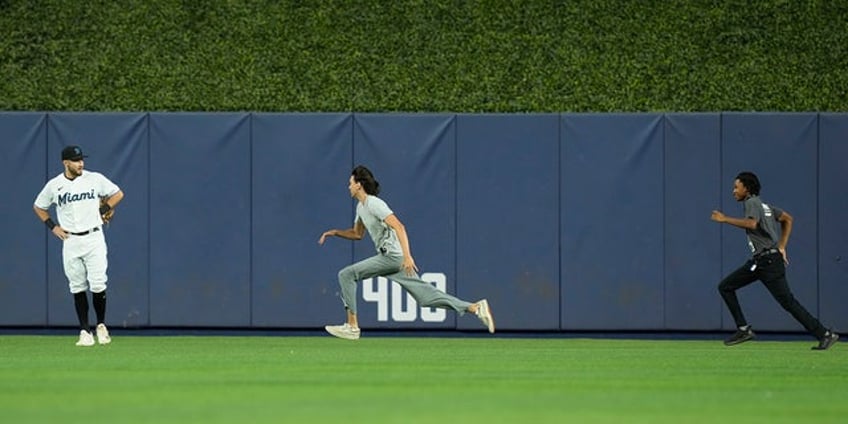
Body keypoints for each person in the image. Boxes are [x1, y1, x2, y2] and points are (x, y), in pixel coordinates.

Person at [318, 165, 495, 340]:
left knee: (346, 275)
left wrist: (407, 256)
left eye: (350, 182)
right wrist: (334, 232)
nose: (348, 186)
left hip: (392, 257)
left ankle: (352, 326)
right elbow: (357, 234)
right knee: (426, 298)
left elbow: (399, 226)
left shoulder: (374, 203)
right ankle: (475, 308)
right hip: (395, 260)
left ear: (358, 184)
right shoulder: (361, 207)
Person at [710, 171, 838, 350]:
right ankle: (744, 329)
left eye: (736, 187)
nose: (733, 191)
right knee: (727, 286)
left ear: (746, 189)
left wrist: (724, 219)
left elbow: (752, 224)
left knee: (786, 302)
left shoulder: (752, 202)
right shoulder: (764, 206)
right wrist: (782, 246)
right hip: (764, 261)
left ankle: (824, 333)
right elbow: (787, 218)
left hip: (767, 262)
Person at [33, 145, 124, 347]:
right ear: (66, 163)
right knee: (77, 286)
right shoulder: (54, 185)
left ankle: (101, 326)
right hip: (70, 239)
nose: (81, 163)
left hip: (94, 237)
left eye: (82, 159)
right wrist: (53, 227)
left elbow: (118, 193)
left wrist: (104, 209)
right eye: (76, 160)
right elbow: (39, 206)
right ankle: (85, 331)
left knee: (98, 282)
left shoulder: (94, 178)